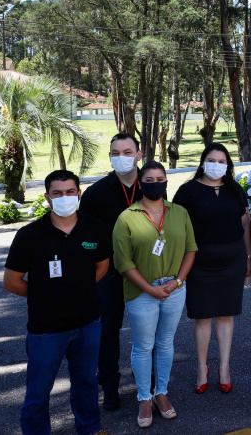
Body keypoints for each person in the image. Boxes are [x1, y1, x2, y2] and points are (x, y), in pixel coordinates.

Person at [3, 170, 110, 435]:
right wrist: (46, 295)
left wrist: (79, 289)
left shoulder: (95, 227)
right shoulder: (29, 235)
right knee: (38, 392)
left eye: (70, 192)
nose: (65, 197)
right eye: (57, 193)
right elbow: (12, 281)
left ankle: (90, 428)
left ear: (79, 193)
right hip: (46, 328)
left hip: (88, 322)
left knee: (86, 383)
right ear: (47, 197)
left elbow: (102, 266)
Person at [113, 162, 197, 428]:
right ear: (140, 183)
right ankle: (144, 397)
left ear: (166, 181)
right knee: (143, 345)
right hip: (142, 291)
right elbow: (123, 262)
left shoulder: (180, 213)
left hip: (174, 289)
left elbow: (191, 249)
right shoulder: (127, 217)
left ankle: (161, 393)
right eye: (149, 180)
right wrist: (150, 289)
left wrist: (178, 281)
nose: (155, 184)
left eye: (160, 179)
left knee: (165, 343)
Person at [173, 143, 251, 395]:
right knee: (203, 316)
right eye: (211, 160)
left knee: (226, 315)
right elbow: (177, 229)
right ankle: (201, 368)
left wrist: (250, 258)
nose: (216, 165)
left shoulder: (235, 190)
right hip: (199, 263)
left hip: (233, 260)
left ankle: (224, 367)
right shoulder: (187, 191)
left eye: (221, 161)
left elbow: (245, 224)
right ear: (202, 162)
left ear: (228, 165)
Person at [79, 133, 143, 411]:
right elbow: (84, 238)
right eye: (115, 153)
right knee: (107, 332)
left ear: (139, 155)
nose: (121, 158)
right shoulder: (95, 193)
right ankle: (109, 386)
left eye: (127, 152)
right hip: (109, 274)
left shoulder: (152, 185)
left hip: (145, 274)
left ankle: (147, 381)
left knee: (146, 332)